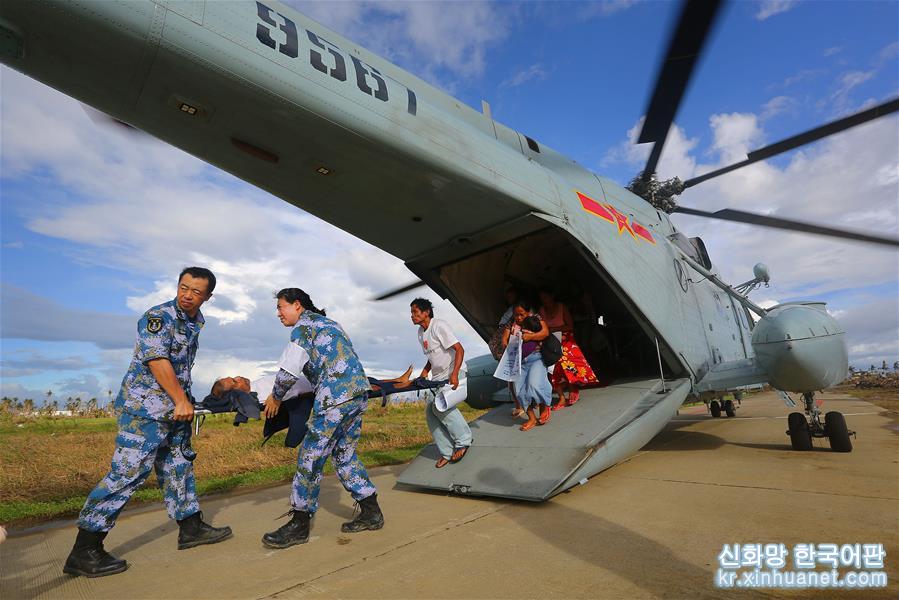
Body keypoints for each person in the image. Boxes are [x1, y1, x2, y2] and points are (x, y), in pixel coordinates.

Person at [64, 267, 231, 578]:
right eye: (183, 287)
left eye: (196, 291)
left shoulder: (194, 321)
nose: (187, 294)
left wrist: (187, 399)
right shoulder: (159, 317)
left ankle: (190, 528)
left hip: (174, 412)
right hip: (145, 412)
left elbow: (181, 367)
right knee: (126, 474)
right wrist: (180, 400)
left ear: (207, 297)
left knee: (178, 466)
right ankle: (85, 548)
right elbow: (157, 360)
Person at [260, 288, 382, 549]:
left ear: (297, 305)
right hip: (358, 393)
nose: (278, 313)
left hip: (335, 398)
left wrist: (276, 397)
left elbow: (288, 370)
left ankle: (299, 524)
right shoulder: (330, 324)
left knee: (310, 457)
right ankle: (372, 512)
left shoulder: (303, 328)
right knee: (345, 454)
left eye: (281, 307)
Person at [410, 298, 471, 469]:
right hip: (437, 377)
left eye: (415, 312)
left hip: (453, 373)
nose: (412, 316)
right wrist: (424, 372)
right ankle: (446, 451)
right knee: (430, 412)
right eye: (411, 312)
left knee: (441, 407)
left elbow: (460, 349)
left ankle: (464, 440)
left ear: (426, 312)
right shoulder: (421, 333)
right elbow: (432, 357)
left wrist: (454, 375)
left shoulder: (439, 326)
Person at [538, 287, 598, 409]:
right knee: (551, 366)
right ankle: (560, 397)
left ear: (552, 296)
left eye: (545, 296)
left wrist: (554, 329)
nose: (543, 300)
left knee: (565, 360)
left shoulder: (561, 307)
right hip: (550, 341)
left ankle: (572, 388)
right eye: (541, 298)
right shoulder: (541, 310)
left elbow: (570, 326)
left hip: (564, 338)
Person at [502, 300, 551, 431]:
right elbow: (504, 339)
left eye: (521, 314)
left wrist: (531, 336)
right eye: (516, 315)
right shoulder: (510, 324)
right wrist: (507, 344)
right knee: (519, 391)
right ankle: (532, 418)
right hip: (519, 362)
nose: (518, 317)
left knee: (535, 385)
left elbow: (545, 333)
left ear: (528, 312)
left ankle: (545, 405)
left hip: (536, 358)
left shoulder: (534, 319)